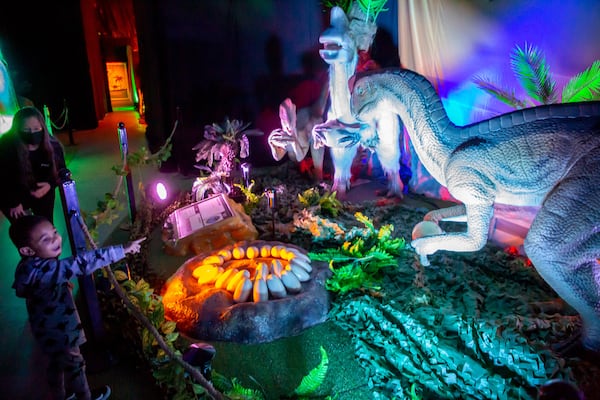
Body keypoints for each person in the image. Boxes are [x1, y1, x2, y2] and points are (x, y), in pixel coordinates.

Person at [9, 214, 146, 400]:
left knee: (55, 364)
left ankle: (60, 395)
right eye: (46, 239)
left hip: (45, 331)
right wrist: (122, 250)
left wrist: (61, 286)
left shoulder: (28, 268)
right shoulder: (46, 270)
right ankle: (85, 397)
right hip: (60, 331)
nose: (56, 239)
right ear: (27, 250)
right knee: (75, 365)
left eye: (55, 233)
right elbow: (81, 264)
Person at [0, 106, 66, 223]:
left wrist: (50, 185)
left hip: (44, 194)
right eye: (26, 130)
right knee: (24, 231)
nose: (32, 133)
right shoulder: (5, 146)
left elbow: (61, 171)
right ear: (17, 130)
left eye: (36, 129)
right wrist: (13, 202)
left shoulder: (52, 145)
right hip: (13, 196)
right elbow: (3, 179)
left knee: (46, 225)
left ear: (43, 127)